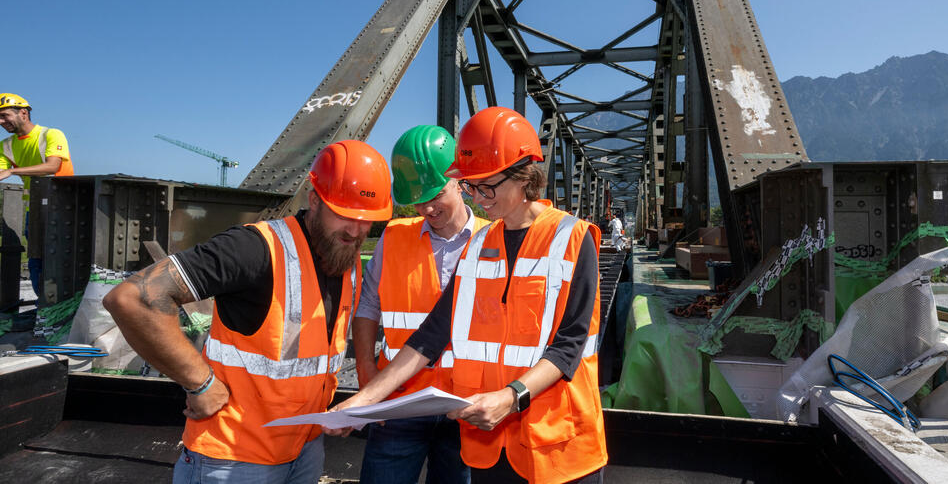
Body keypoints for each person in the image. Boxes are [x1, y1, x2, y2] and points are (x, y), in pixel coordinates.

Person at [329, 107, 607, 484]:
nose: (478, 198)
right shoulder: (479, 246)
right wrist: (360, 402)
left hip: (557, 442)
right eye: (472, 186)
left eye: (486, 186)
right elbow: (429, 337)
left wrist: (510, 397)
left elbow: (569, 344)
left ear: (524, 175)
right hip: (492, 446)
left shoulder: (572, 239)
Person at [103, 140, 392, 483]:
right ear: (314, 200)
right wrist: (200, 384)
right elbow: (132, 299)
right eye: (345, 215)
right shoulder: (255, 249)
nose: (356, 231)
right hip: (235, 459)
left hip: (305, 450)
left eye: (367, 221)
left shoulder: (346, 261)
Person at [352, 125, 487, 484]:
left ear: (459, 181)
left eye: (437, 193)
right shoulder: (394, 237)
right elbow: (367, 307)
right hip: (398, 402)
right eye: (417, 197)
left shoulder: (495, 239)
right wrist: (366, 371)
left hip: (464, 407)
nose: (428, 207)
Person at [0, 93, 74, 299]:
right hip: (34, 210)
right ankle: (44, 309)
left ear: (23, 113)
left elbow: (52, 166)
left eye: (5, 116)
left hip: (64, 208)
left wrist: (13, 171)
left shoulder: (51, 134)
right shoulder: (6, 145)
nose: (1, 122)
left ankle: (61, 307)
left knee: (61, 259)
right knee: (36, 262)